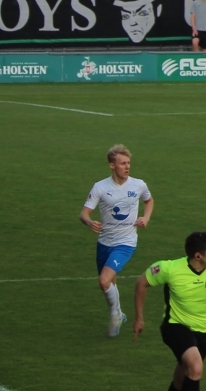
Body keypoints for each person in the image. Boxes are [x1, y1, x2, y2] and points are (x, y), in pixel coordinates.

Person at [135, 231, 206, 391]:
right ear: (198, 256)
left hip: (205, 330)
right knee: (195, 367)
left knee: (183, 376)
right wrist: (139, 318)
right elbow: (141, 283)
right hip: (176, 325)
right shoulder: (170, 269)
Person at [80, 143, 154, 336]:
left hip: (126, 242)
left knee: (103, 281)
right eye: (122, 163)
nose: (127, 167)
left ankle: (115, 313)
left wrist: (146, 218)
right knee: (110, 283)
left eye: (128, 163)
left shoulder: (138, 185)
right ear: (112, 166)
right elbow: (84, 214)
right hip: (105, 242)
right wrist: (89, 222)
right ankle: (119, 313)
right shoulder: (101, 187)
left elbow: (149, 200)